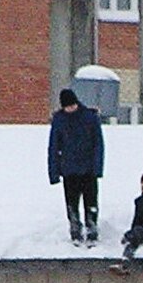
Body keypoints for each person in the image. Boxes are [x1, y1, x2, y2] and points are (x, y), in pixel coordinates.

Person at [48, 87, 104, 245]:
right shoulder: (59, 120)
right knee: (71, 203)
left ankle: (92, 227)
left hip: (88, 169)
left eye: (72, 105)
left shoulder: (90, 117)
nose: (70, 109)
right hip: (69, 170)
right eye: (67, 107)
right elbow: (53, 147)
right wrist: (54, 173)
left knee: (91, 201)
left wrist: (97, 169)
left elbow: (98, 144)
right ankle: (75, 228)